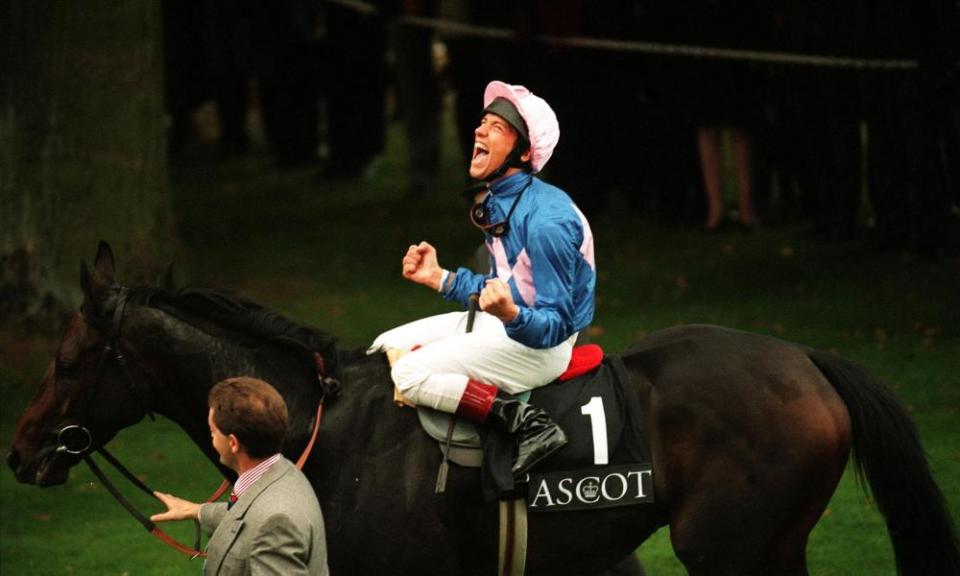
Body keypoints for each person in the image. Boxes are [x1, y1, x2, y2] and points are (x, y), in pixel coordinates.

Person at [369, 81, 596, 479]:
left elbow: (557, 325)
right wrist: (439, 278)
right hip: (508, 327)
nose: (479, 130)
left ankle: (526, 422)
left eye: (497, 127)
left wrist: (510, 315)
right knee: (384, 347)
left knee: (409, 373)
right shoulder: (501, 199)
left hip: (544, 348)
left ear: (524, 152)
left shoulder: (547, 222)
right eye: (483, 122)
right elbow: (497, 289)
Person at [150, 377, 328, 576]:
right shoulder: (284, 473)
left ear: (233, 443)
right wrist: (197, 511)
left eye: (213, 432)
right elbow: (248, 517)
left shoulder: (277, 522)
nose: (212, 438)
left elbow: (264, 521)